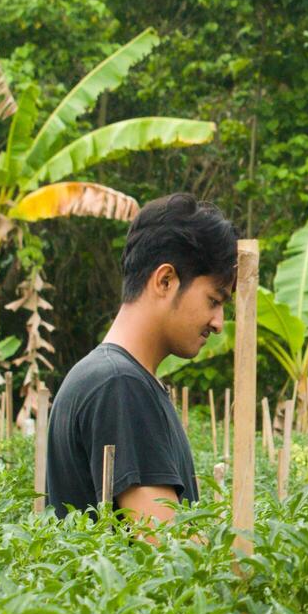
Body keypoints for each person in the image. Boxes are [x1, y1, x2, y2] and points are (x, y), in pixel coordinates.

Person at [45, 193, 238, 536]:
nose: (219, 322)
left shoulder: (107, 376)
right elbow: (170, 552)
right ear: (165, 281)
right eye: (214, 300)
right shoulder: (119, 385)